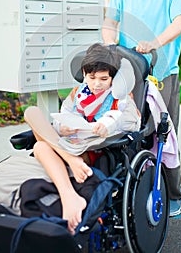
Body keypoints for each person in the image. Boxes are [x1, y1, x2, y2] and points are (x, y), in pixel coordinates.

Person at [102, 0, 181, 217]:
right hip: (129, 73)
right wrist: (108, 50)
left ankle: (174, 196)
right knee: (131, 134)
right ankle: (136, 191)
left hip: (162, 72)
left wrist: (154, 42)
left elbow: (180, 20)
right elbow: (110, 21)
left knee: (164, 137)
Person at [24, 43, 141, 235]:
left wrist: (105, 126)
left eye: (104, 78)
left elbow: (126, 122)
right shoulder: (79, 92)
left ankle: (69, 194)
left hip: (91, 149)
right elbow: (64, 115)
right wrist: (64, 127)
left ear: (113, 77)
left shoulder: (119, 97)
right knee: (31, 113)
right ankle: (72, 162)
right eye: (91, 77)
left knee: (40, 147)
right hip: (68, 144)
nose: (96, 84)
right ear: (84, 74)